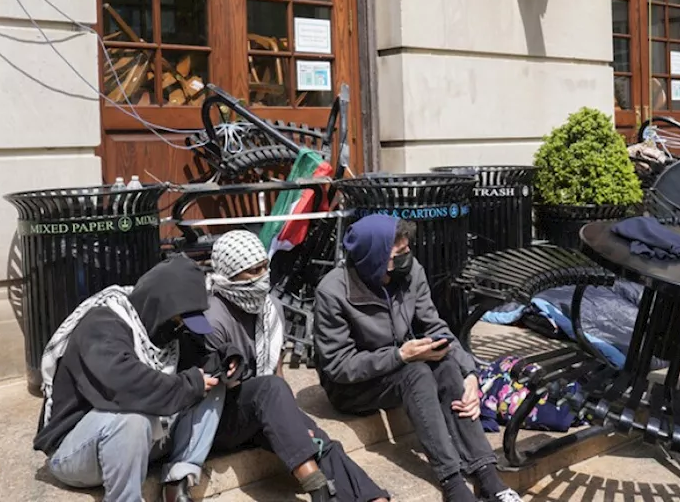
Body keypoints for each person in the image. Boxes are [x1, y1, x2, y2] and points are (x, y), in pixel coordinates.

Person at [314, 215, 522, 502]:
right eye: (397, 254)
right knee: (416, 373)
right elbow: (339, 365)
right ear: (372, 258)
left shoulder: (410, 273)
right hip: (353, 388)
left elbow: (435, 326)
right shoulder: (332, 292)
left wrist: (470, 373)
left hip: (400, 363)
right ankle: (452, 482)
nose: (406, 258)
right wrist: (400, 355)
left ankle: (486, 474)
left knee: (447, 365)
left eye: (407, 250)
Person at [202, 230, 390, 502]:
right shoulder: (211, 318)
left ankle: (373, 498)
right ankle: (319, 490)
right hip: (220, 419)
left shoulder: (271, 309)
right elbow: (206, 394)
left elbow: (278, 375)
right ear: (230, 274)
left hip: (260, 408)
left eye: (265, 267)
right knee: (270, 392)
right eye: (253, 271)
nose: (263, 276)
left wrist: (290, 420)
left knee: (318, 440)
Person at [33, 255, 225, 502]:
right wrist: (189, 384)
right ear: (160, 309)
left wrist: (225, 362)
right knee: (132, 419)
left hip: (142, 442)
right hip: (75, 451)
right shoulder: (101, 325)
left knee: (213, 387)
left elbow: (203, 359)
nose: (181, 328)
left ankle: (179, 481)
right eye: (179, 320)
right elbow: (127, 386)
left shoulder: (162, 329)